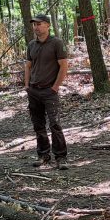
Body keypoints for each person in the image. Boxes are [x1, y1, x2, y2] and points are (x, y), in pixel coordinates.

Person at [23, 14, 69, 169]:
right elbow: (28, 66)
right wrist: (27, 85)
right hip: (34, 91)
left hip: (49, 91)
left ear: (48, 25)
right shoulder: (31, 45)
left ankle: (61, 157)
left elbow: (63, 66)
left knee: (55, 124)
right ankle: (43, 155)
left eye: (39, 24)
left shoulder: (56, 43)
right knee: (38, 125)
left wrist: (55, 87)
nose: (36, 27)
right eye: (34, 24)